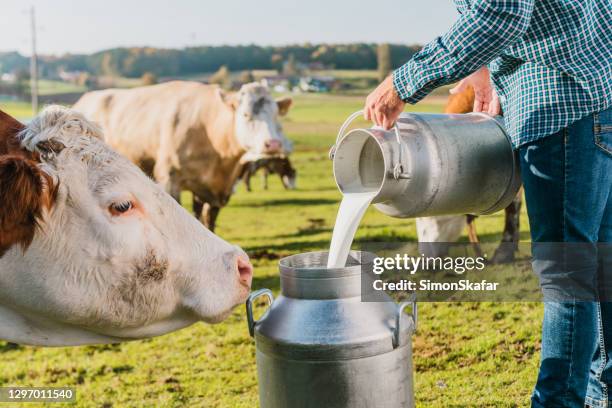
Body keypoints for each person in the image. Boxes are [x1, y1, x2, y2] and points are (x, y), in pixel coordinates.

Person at [364, 1, 611, 407]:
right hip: (596, 97)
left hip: (558, 102)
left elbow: (500, 15)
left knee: (565, 272)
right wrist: (484, 73)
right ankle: (601, 396)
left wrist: (402, 83)